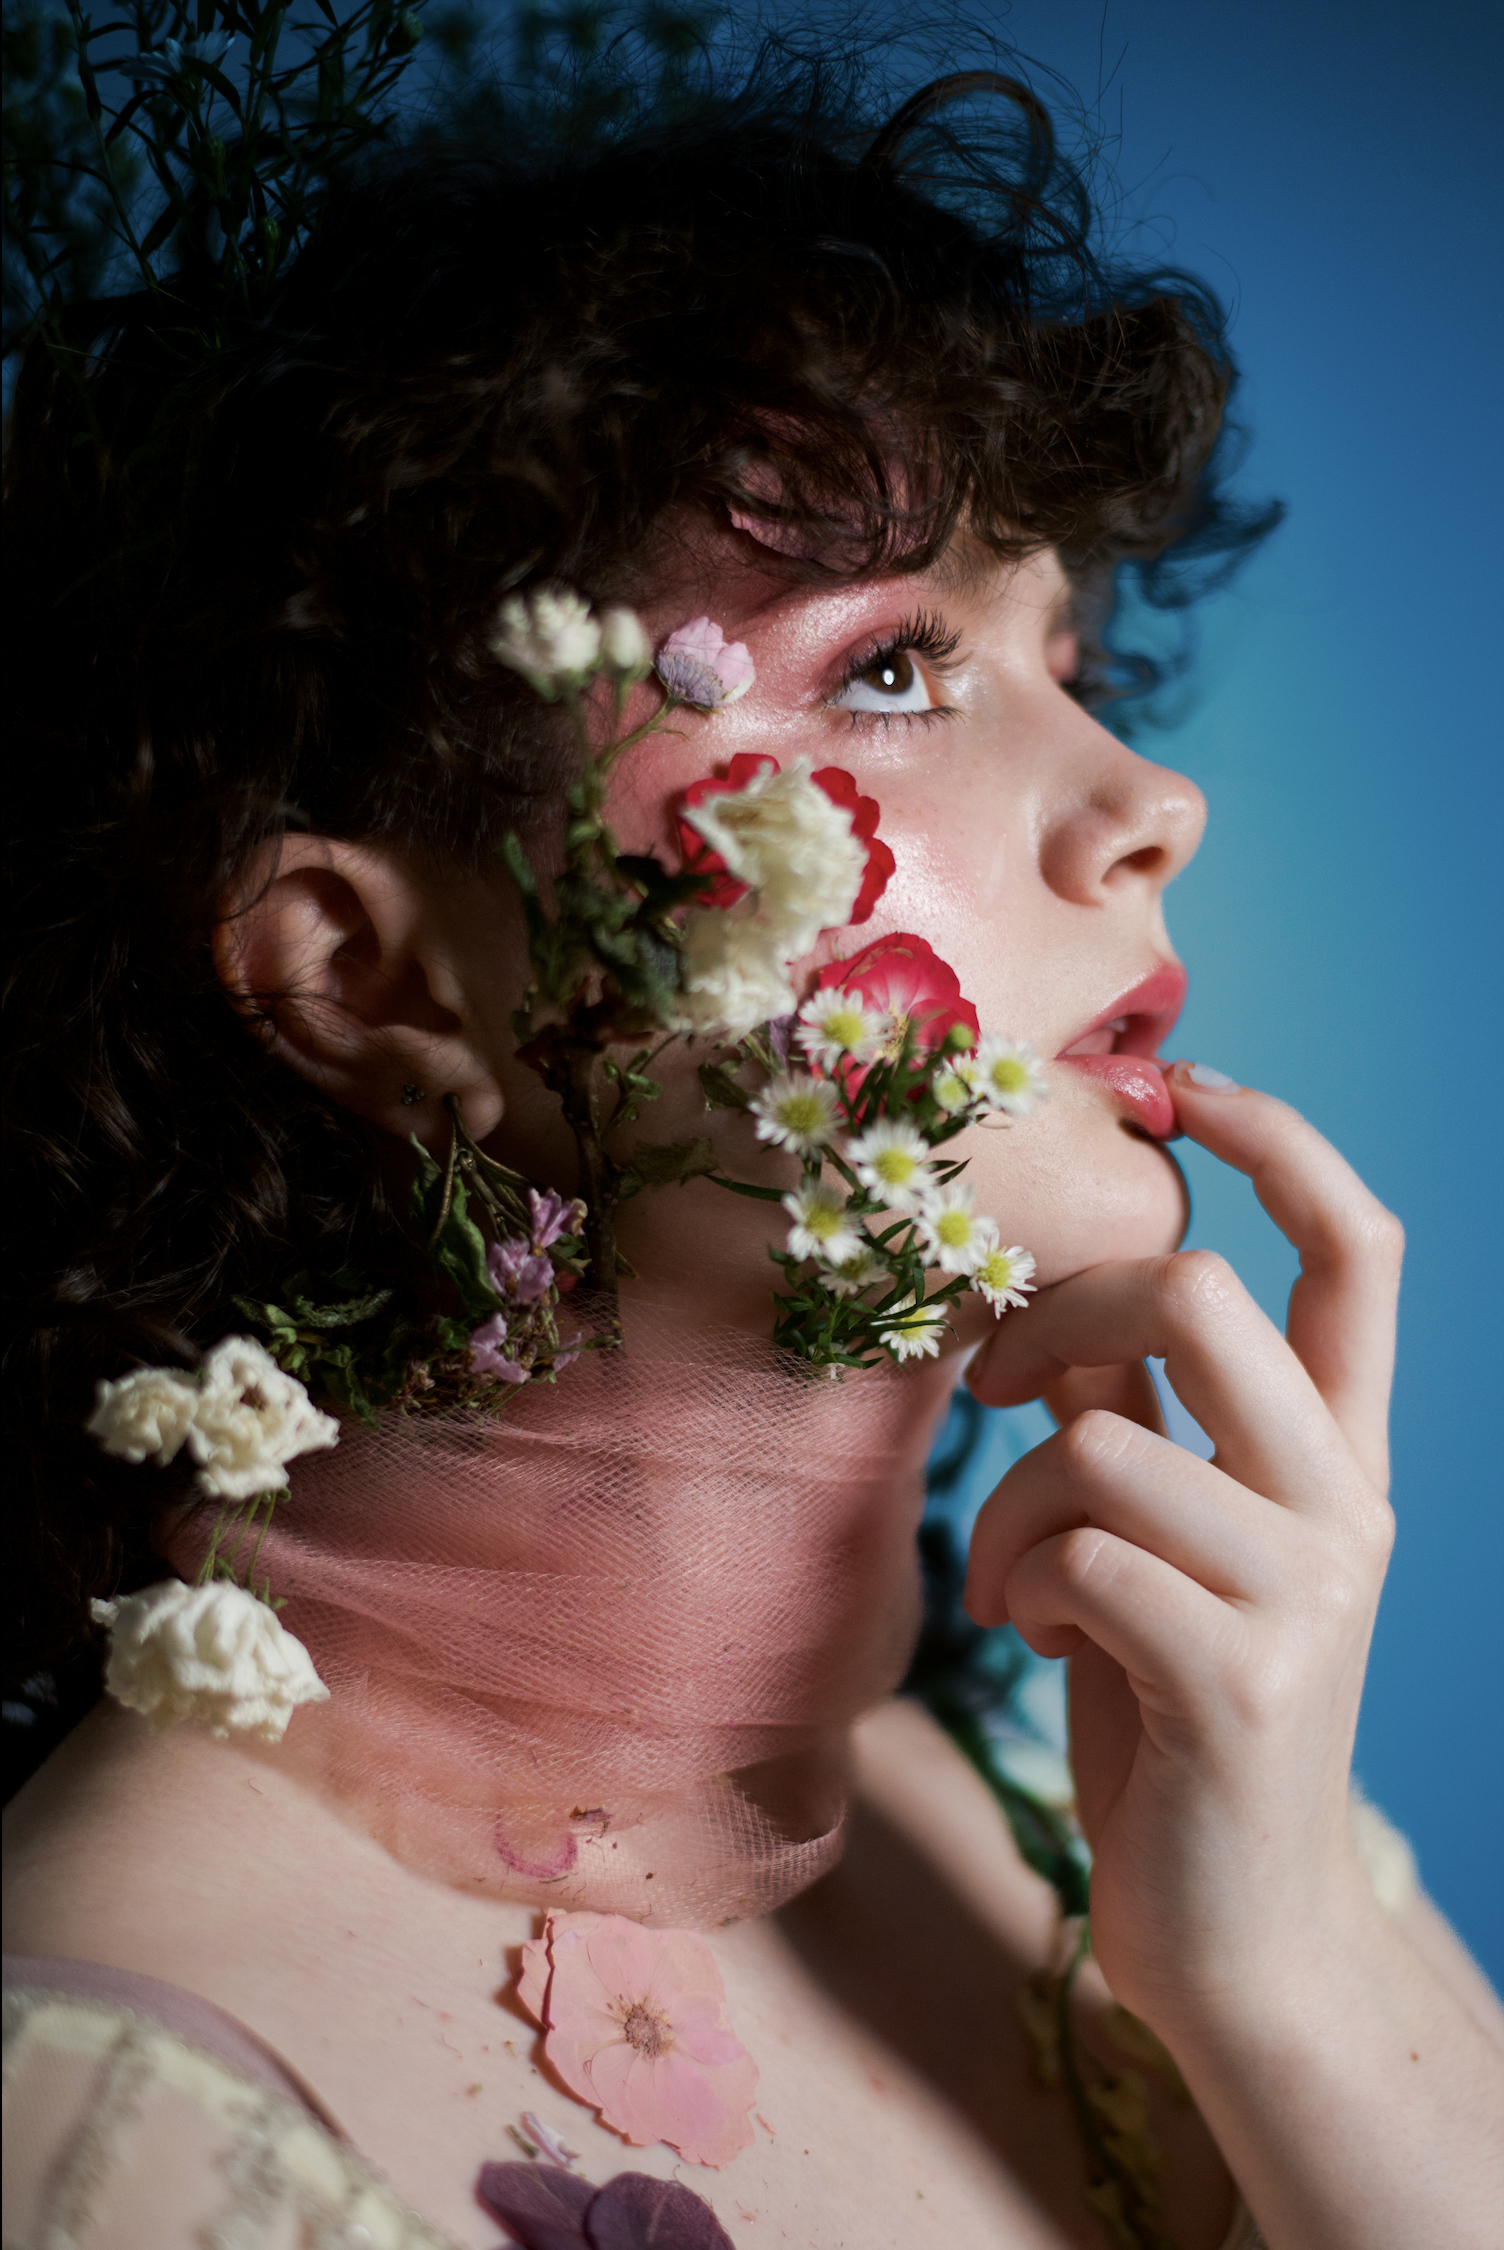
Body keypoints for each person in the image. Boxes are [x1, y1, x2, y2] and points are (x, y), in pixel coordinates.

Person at [4, 52, 1501, 2250]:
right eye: (892, 665)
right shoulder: (97, 2137)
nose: (1145, 805)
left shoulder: (1192, 1837)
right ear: (371, 980)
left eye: (1072, 659)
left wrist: (1282, 1985)